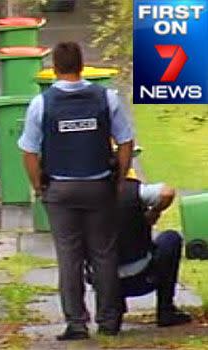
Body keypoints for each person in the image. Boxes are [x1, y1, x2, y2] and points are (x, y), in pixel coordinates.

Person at [18, 41, 134, 340]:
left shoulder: (42, 104)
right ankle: (109, 320)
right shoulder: (107, 98)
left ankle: (76, 323)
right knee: (104, 254)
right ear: (82, 65)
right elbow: (125, 141)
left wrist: (38, 186)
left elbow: (29, 151)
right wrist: (119, 177)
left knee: (69, 257)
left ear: (55, 67)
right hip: (98, 186)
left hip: (60, 188)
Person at [114, 174, 191, 327]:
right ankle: (165, 309)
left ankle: (112, 312)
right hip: (143, 275)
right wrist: (154, 212)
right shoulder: (132, 191)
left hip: (103, 279)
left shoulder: (76, 196)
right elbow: (167, 193)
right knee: (170, 239)